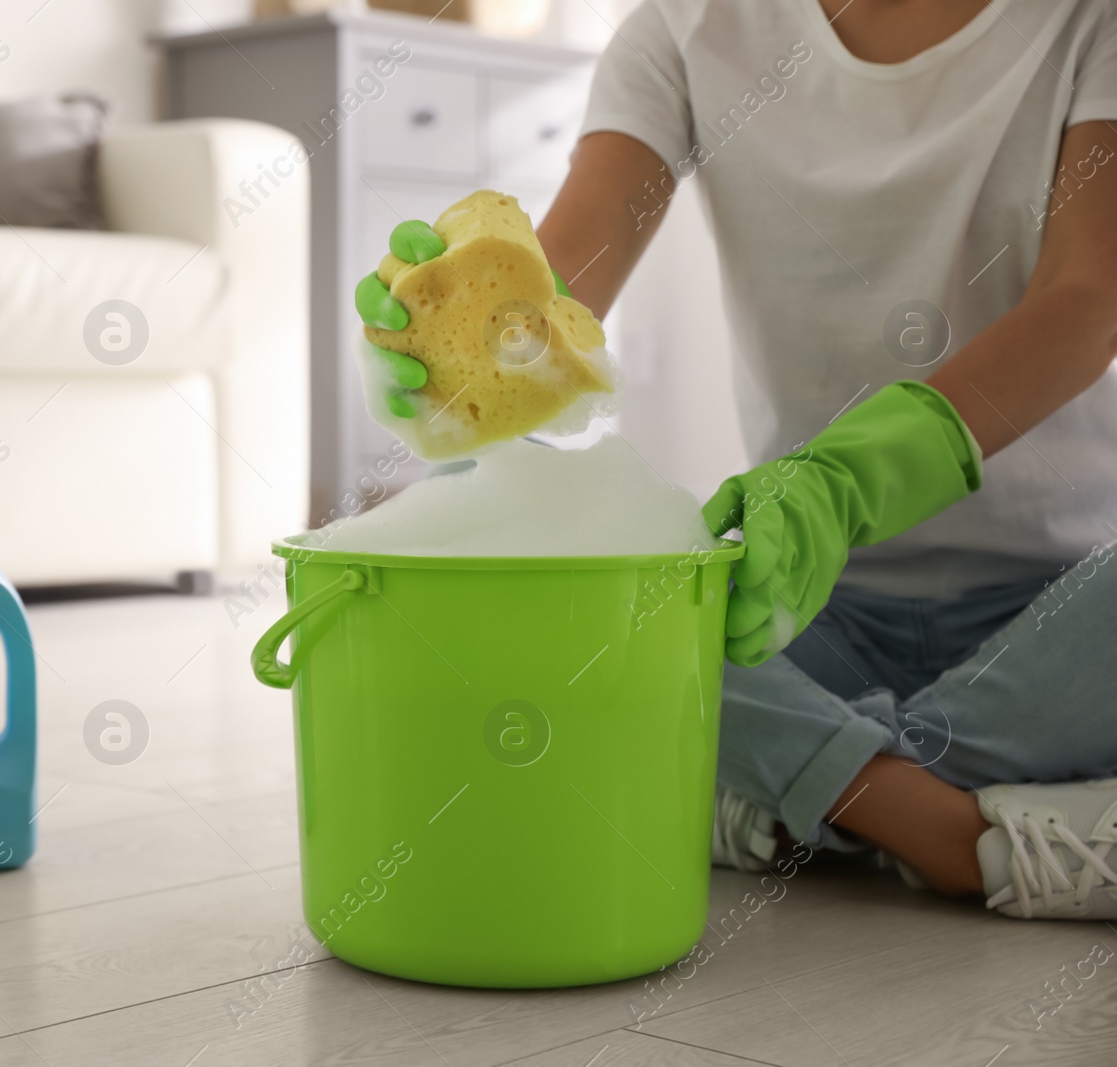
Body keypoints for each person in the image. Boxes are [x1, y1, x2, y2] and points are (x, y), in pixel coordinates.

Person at [356, 0, 1117, 919]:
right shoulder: (685, 29)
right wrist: (451, 356)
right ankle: (961, 834)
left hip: (1065, 605)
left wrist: (848, 481)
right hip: (793, 613)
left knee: (600, 696)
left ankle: (803, 794)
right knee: (497, 542)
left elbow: (1088, 301)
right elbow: (555, 290)